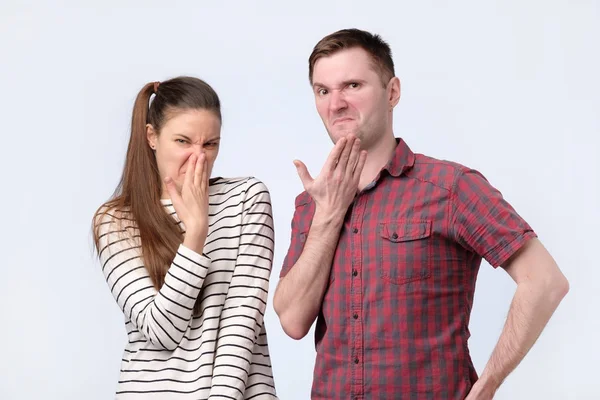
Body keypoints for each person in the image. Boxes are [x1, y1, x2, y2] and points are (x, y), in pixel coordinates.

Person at [273, 29, 569, 399]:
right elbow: (293, 320)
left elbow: (544, 281)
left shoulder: (451, 187)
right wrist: (328, 217)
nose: (337, 104)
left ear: (392, 92)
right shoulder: (310, 206)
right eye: (323, 91)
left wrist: (488, 384)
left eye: (352, 85)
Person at [93, 76, 277, 399]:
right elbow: (161, 330)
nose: (199, 158)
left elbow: (240, 325)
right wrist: (195, 233)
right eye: (183, 141)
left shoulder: (246, 198)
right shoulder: (116, 222)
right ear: (152, 137)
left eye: (210, 144)